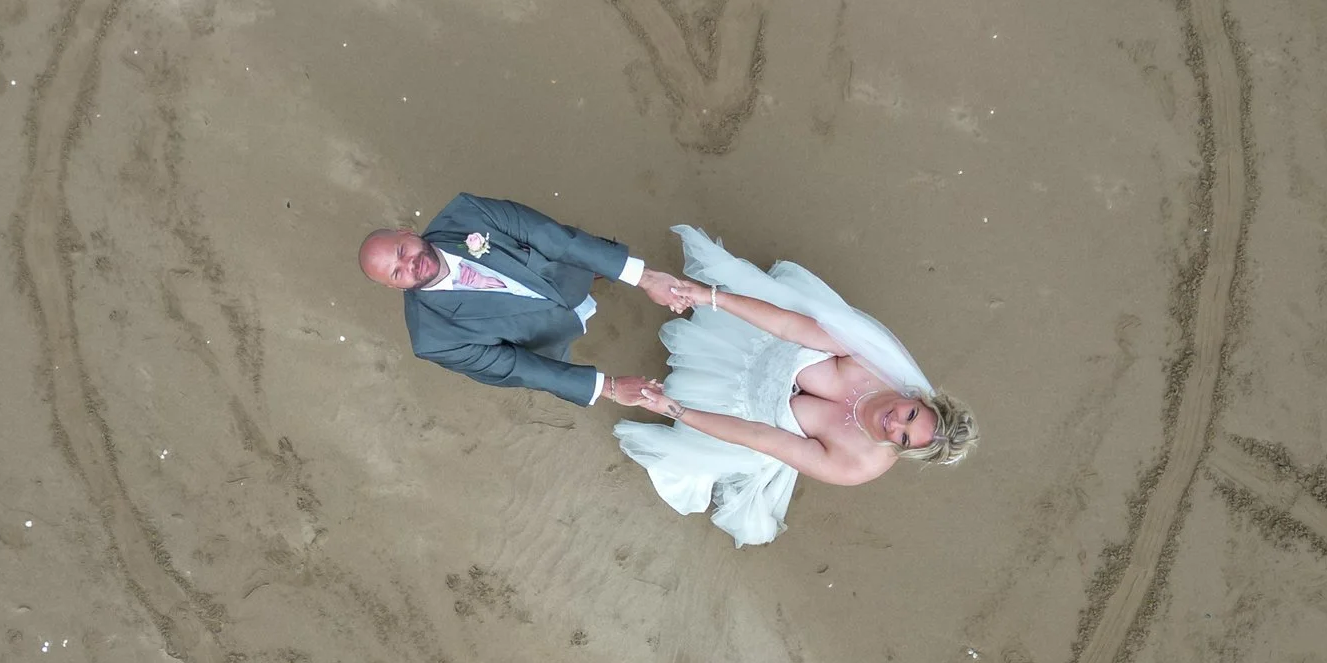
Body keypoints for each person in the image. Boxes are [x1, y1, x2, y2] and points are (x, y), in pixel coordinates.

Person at [614, 226, 975, 546]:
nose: (894, 424)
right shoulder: (878, 361)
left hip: (739, 409)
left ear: (904, 451)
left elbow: (760, 437)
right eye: (910, 414)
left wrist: (676, 410)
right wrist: (710, 297)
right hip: (757, 348)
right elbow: (789, 328)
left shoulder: (854, 465)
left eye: (904, 438)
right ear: (917, 397)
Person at [359, 193, 695, 408]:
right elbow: (516, 368)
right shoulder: (433, 340)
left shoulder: (467, 213)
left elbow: (554, 239)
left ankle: (599, 273)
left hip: (562, 272)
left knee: (584, 261)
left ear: (406, 233)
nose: (410, 265)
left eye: (402, 252)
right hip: (543, 332)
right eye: (397, 273)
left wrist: (645, 278)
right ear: (394, 287)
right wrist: (609, 387)